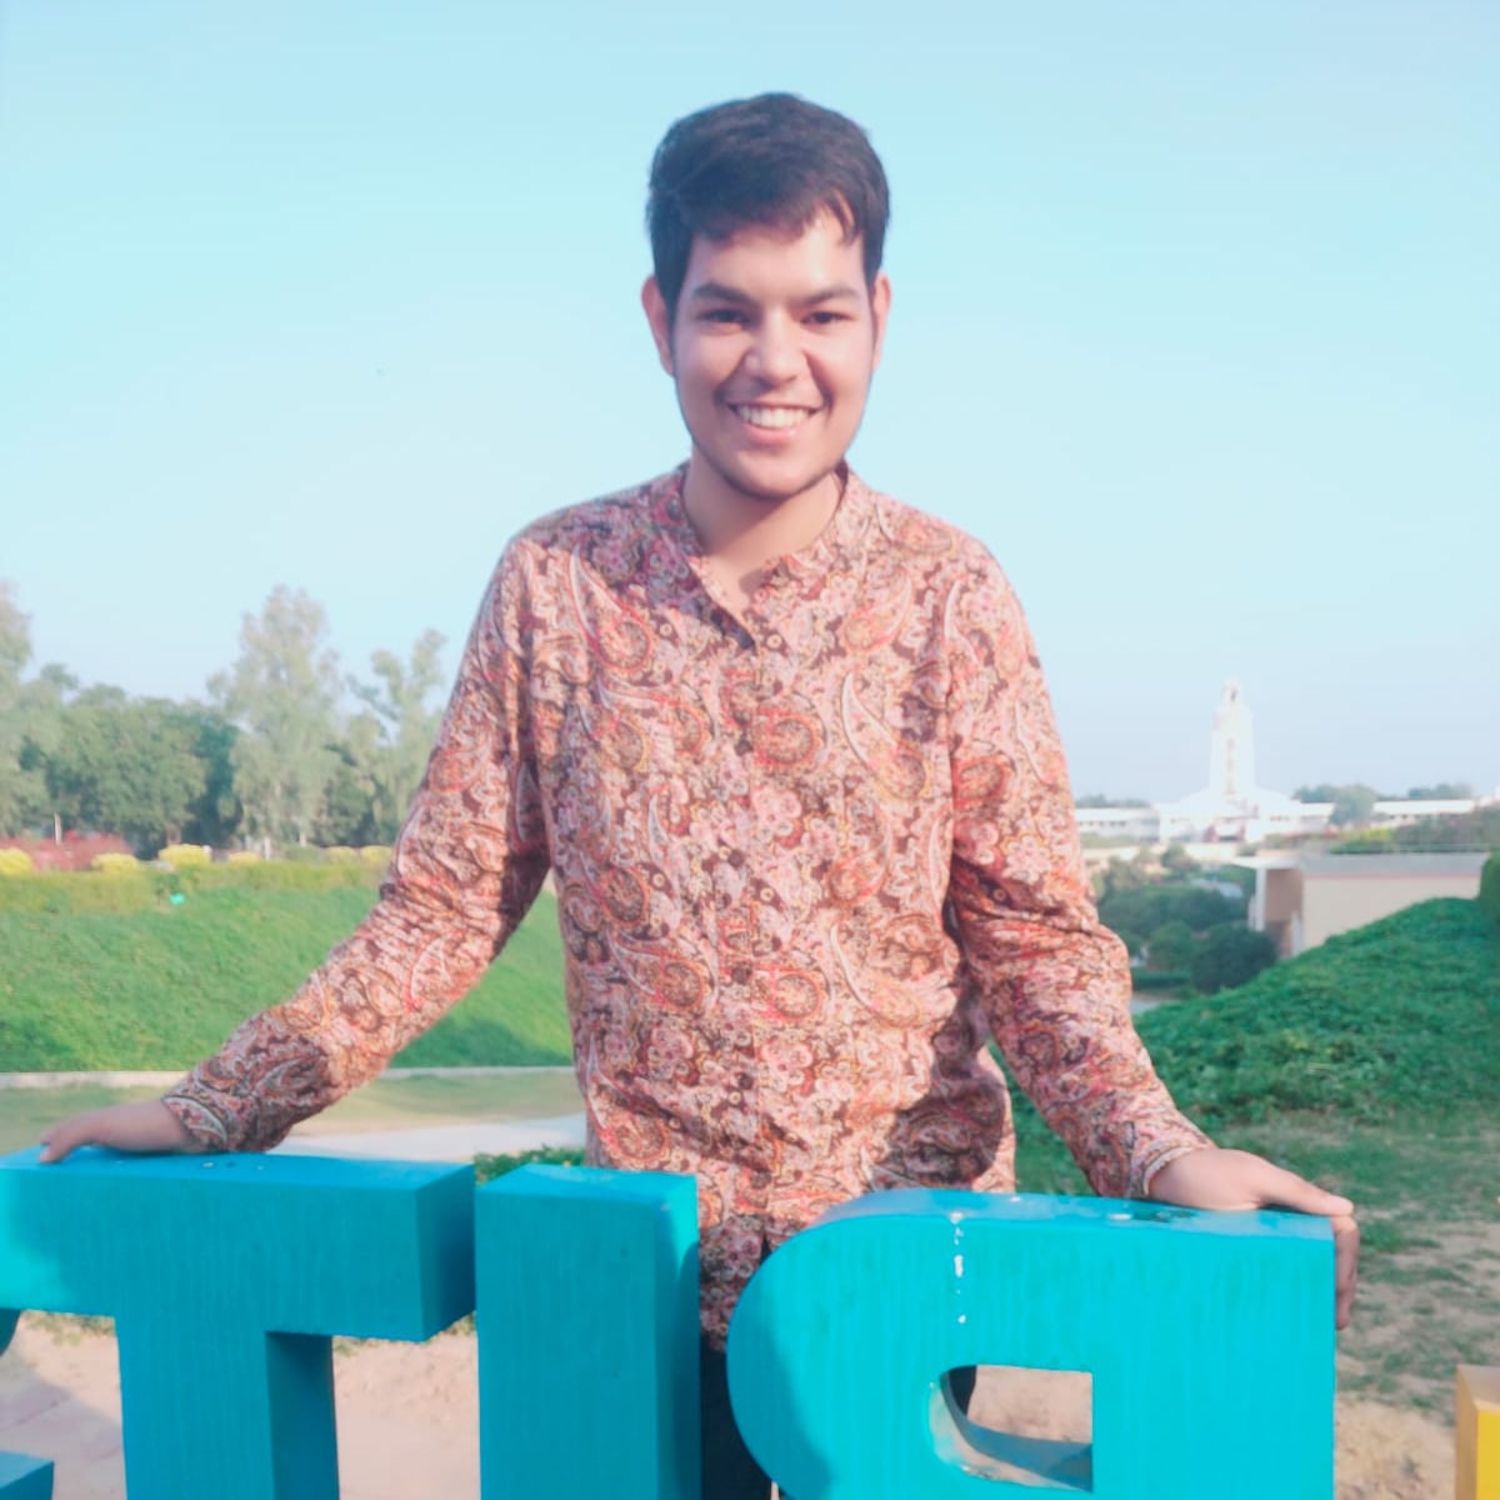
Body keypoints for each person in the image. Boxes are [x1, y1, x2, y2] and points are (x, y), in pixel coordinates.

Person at [41, 92, 1358, 1499]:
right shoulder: (557, 586)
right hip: (643, 1279)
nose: (776, 362)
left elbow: (1033, 944)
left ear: (879, 317)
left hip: (897, 1286)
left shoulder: (949, 597)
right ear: (661, 317)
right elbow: (438, 914)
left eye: (821, 313)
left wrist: (1161, 1155)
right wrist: (216, 1108)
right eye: (729, 311)